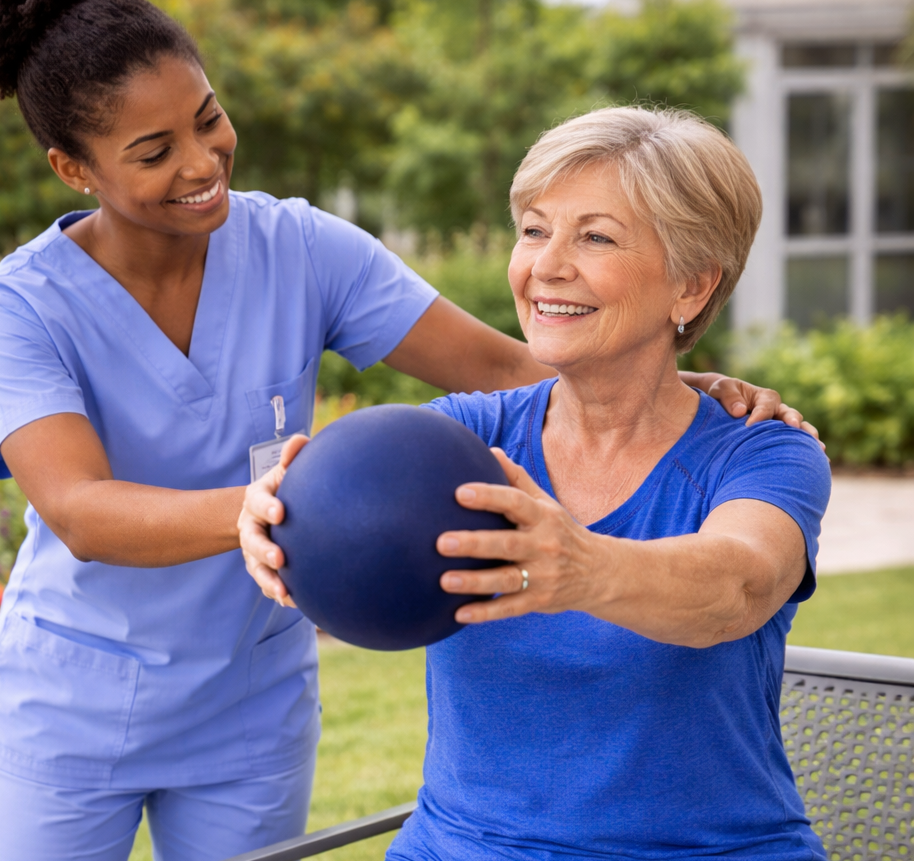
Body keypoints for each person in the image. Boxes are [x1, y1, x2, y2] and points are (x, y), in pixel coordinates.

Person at [0, 0, 807, 861]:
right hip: (76, 701)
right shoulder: (20, 306)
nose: (202, 162)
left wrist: (677, 376)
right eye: (155, 150)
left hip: (248, 699)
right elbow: (79, 510)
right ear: (74, 168)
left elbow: (505, 364)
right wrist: (271, 507)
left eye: (209, 119)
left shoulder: (298, 248)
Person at [242, 107, 831, 860]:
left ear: (691, 285)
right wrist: (277, 519)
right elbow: (345, 523)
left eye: (596, 237)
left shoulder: (761, 452)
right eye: (533, 230)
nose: (546, 266)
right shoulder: (464, 438)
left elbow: (739, 587)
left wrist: (583, 566)